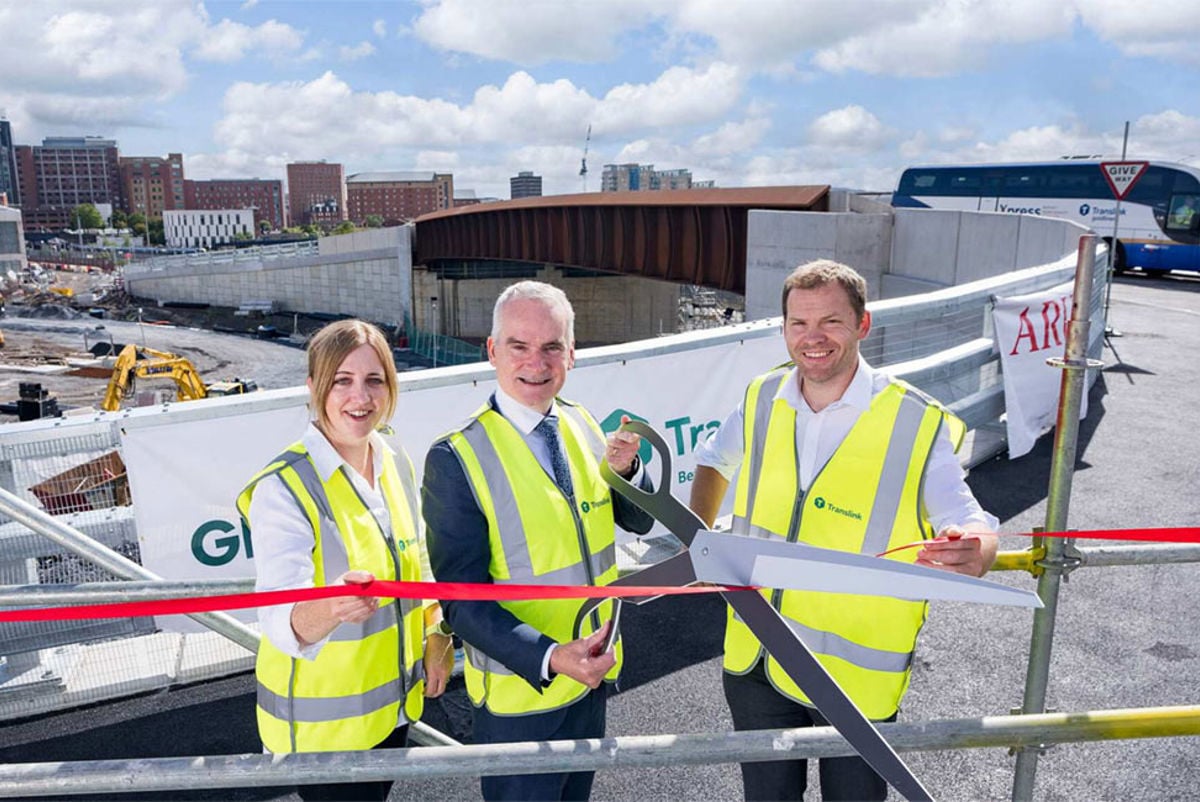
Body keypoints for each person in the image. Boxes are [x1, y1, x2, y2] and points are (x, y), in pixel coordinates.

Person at [689, 260, 999, 802]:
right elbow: (714, 462)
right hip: (756, 657)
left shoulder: (913, 421)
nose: (812, 339)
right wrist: (703, 539)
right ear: (783, 328)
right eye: (797, 324)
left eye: (830, 322)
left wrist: (978, 550)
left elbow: (968, 519)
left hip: (853, 678)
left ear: (863, 325)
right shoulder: (762, 397)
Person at [421, 280, 655, 801]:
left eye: (552, 346)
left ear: (571, 354)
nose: (536, 362)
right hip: (519, 698)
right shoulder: (456, 458)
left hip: (591, 678)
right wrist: (553, 655)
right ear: (492, 351)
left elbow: (636, 523)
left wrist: (630, 470)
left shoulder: (583, 424)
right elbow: (461, 605)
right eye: (519, 346)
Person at [238, 319, 455, 802]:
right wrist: (333, 606)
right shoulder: (284, 488)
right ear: (314, 387)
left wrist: (437, 634)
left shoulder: (392, 455)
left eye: (374, 380)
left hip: (390, 713)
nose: (360, 396)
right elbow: (279, 622)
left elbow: (416, 559)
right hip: (324, 736)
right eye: (342, 380)